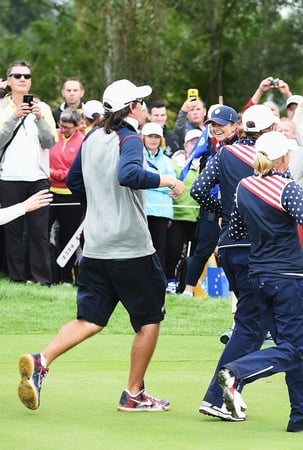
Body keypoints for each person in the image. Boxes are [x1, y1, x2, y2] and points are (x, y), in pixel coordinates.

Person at [18, 79, 184, 412]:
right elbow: (130, 175)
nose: (143, 107)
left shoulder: (93, 136)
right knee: (150, 320)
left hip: (96, 247)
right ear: (133, 108)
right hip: (132, 249)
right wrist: (168, 180)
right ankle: (134, 394)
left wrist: (101, 205)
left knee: (90, 319)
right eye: (140, 102)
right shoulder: (130, 138)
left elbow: (75, 181)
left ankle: (42, 360)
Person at [216, 132, 303, 430]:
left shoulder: (244, 186)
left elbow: (237, 230)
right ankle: (238, 372)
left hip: (258, 276)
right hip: (288, 277)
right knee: (294, 349)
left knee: (288, 346)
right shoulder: (287, 187)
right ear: (284, 159)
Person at [193, 104, 282, 420]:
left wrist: (224, 212)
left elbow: (199, 190)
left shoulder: (225, 155)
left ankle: (228, 393)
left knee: (255, 324)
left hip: (230, 245)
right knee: (251, 325)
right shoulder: (269, 157)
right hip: (256, 248)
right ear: (270, 130)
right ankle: (218, 396)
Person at [0, 60, 57, 285]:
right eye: (17, 76)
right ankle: (17, 278)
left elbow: (49, 141)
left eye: (26, 76)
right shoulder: (2, 107)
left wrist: (40, 119)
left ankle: (42, 280)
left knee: (39, 232)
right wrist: (14, 118)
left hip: (38, 177)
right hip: (9, 177)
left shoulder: (42, 108)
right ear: (10, 80)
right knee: (12, 231)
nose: (22, 79)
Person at [180, 104, 238, 298]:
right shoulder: (209, 149)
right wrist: (220, 209)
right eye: (212, 124)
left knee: (234, 254)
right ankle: (188, 290)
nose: (216, 128)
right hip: (213, 209)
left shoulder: (241, 148)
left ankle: (234, 294)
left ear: (234, 126)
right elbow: (200, 187)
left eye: (220, 124)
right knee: (203, 249)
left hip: (238, 210)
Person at [48, 108, 85, 284]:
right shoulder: (53, 135)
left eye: (68, 128)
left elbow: (75, 171)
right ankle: (49, 274)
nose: (63, 130)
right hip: (50, 192)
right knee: (42, 233)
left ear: (77, 127)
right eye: (61, 126)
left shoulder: (82, 142)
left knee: (68, 236)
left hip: (71, 195)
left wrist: (54, 173)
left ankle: (65, 277)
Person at [164, 129, 202, 294]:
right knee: (173, 250)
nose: (194, 145)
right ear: (185, 145)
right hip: (178, 214)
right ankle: (170, 280)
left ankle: (186, 285)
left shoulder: (205, 162)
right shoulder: (176, 162)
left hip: (197, 216)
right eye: (191, 142)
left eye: (197, 142)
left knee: (193, 255)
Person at [142, 122, 177, 274]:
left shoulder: (168, 162)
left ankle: (158, 284)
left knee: (158, 250)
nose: (153, 140)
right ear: (143, 138)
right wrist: (162, 182)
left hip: (161, 212)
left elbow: (173, 184)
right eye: (150, 136)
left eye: (157, 136)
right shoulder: (137, 157)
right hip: (142, 210)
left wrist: (153, 182)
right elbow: (138, 180)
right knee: (140, 250)